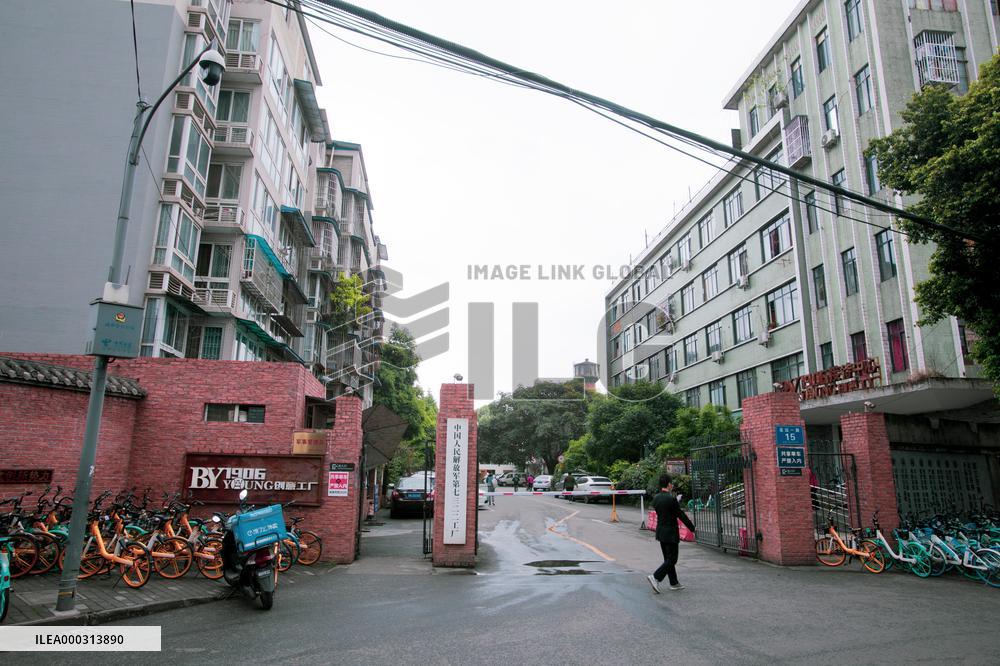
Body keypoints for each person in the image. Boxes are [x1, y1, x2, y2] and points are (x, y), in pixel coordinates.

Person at [647, 473, 695, 593]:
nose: (672, 485)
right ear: (668, 484)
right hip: (671, 533)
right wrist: (692, 528)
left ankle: (674, 582)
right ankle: (656, 577)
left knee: (667, 559)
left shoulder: (656, 498)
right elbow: (680, 515)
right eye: (671, 483)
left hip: (661, 532)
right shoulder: (671, 499)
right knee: (672, 559)